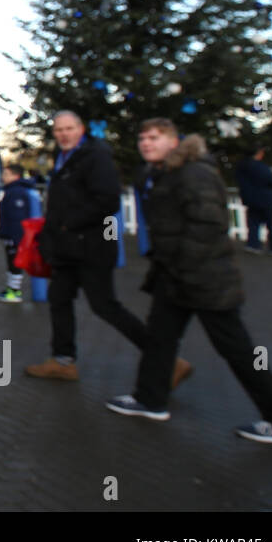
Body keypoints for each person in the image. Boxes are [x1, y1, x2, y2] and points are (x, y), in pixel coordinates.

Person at [106, 120, 272, 443]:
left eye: (154, 138)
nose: (146, 143)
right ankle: (150, 400)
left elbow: (208, 226)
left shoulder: (193, 174)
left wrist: (183, 264)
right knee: (160, 340)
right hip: (174, 279)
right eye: (142, 138)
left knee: (238, 349)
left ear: (173, 142)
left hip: (204, 279)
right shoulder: (162, 174)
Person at [26, 111, 190, 386]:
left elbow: (108, 200)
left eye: (69, 129)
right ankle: (62, 360)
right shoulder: (64, 156)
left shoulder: (95, 156)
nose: (63, 134)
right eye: (58, 130)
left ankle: (167, 360)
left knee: (105, 306)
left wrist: (68, 224)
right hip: (66, 249)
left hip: (91, 248)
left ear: (81, 129)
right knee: (59, 299)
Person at [236, 147, 272, 257]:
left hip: (250, 199)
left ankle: (253, 245)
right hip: (266, 199)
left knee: (253, 223)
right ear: (258, 153)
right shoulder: (259, 167)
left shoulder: (241, 166)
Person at [0, 163, 30, 302]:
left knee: (15, 263)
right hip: (11, 235)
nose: (3, 177)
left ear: (16, 176)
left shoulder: (16, 192)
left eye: (6, 174)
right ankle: (11, 288)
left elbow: (17, 218)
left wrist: (15, 238)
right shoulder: (12, 190)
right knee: (11, 263)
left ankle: (14, 292)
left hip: (14, 236)